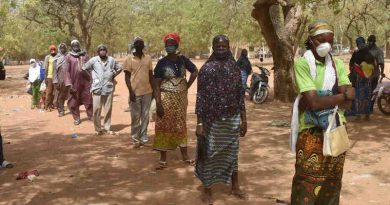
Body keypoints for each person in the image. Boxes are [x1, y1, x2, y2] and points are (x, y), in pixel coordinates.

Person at [290, 20, 355, 205]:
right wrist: (341, 96)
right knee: (306, 184)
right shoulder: (303, 64)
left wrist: (327, 98)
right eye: (321, 40)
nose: (326, 45)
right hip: (311, 133)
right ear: (311, 40)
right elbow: (314, 102)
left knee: (332, 184)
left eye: (330, 41)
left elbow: (349, 102)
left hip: (336, 130)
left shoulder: (338, 65)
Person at [195, 35, 247, 204]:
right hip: (212, 120)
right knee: (209, 153)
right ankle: (207, 189)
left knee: (233, 153)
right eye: (218, 46)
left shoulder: (235, 68)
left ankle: (235, 186)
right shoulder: (206, 69)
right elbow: (201, 98)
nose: (221, 48)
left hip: (232, 118)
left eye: (224, 45)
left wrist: (244, 119)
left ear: (229, 47)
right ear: (213, 47)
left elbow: (240, 96)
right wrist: (200, 123)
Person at [153, 32, 198, 169]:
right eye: (167, 45)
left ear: (177, 45)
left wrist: (187, 86)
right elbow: (156, 85)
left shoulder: (183, 59)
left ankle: (185, 156)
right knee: (164, 124)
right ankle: (163, 158)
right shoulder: (162, 63)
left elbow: (195, 71)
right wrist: (159, 103)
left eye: (172, 44)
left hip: (181, 100)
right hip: (166, 98)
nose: (169, 47)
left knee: (180, 124)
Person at [82, 44, 122, 135]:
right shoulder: (93, 60)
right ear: (98, 52)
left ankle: (107, 127)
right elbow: (83, 68)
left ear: (106, 51)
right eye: (101, 50)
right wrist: (90, 78)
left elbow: (120, 68)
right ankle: (98, 129)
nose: (102, 51)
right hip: (97, 88)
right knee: (96, 109)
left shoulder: (111, 60)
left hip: (108, 87)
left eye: (104, 50)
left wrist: (113, 75)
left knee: (108, 109)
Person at [123, 37, 154, 146]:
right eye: (137, 43)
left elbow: (151, 75)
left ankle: (143, 137)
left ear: (143, 46)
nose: (139, 44)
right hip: (135, 93)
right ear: (134, 46)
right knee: (135, 117)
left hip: (147, 91)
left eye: (141, 43)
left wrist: (154, 90)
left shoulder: (148, 58)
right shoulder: (128, 59)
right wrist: (131, 92)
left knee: (145, 116)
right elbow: (127, 77)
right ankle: (135, 138)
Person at [346, 37, 376, 120]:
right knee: (367, 95)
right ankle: (367, 116)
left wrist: (355, 72)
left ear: (357, 44)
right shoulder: (369, 53)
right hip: (367, 78)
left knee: (358, 96)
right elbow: (373, 66)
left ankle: (358, 116)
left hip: (358, 78)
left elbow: (351, 65)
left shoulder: (356, 54)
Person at [64, 40, 92, 125]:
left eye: (77, 45)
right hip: (74, 82)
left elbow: (90, 68)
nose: (75, 46)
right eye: (74, 45)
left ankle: (91, 116)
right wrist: (69, 83)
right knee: (73, 101)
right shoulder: (69, 57)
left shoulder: (85, 55)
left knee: (88, 99)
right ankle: (77, 118)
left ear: (79, 45)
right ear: (71, 46)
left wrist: (92, 79)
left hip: (85, 81)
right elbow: (66, 71)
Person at [367, 35, 386, 107]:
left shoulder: (378, 51)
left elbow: (381, 63)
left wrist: (382, 72)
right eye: (368, 41)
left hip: (374, 74)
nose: (369, 43)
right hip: (364, 74)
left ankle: (370, 106)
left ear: (374, 42)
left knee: (372, 90)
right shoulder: (365, 49)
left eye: (370, 41)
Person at [53, 43, 68, 117]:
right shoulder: (56, 58)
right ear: (59, 49)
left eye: (64, 48)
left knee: (70, 95)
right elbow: (54, 71)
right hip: (60, 79)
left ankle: (73, 108)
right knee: (61, 95)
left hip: (69, 79)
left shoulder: (69, 56)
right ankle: (61, 110)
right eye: (61, 48)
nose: (62, 49)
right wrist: (56, 81)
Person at [43, 45, 58, 111]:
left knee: (55, 92)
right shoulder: (47, 57)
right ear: (50, 50)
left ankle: (53, 105)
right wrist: (45, 78)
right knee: (49, 92)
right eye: (51, 50)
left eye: (54, 49)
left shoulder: (58, 57)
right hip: (49, 77)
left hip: (56, 77)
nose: (53, 51)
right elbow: (45, 68)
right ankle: (47, 106)